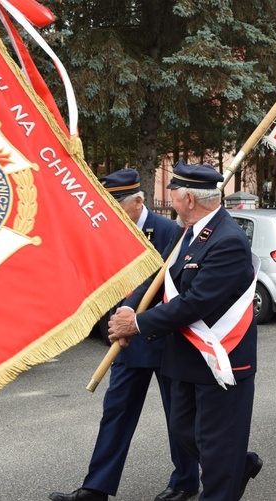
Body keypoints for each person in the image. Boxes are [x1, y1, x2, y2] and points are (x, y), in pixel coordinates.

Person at [108, 160, 262, 501]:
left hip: (219, 360)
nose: (169, 197)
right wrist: (130, 307)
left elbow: (196, 302)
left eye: (172, 192)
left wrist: (138, 324)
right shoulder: (187, 233)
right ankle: (239, 461)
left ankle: (229, 470)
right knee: (183, 431)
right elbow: (158, 276)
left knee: (217, 449)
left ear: (188, 199)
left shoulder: (228, 240)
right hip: (184, 358)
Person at [50, 169, 199, 501]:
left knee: (179, 417)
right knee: (116, 413)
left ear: (138, 200)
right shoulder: (104, 230)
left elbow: (162, 284)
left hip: (163, 339)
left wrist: (132, 314)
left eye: (117, 204)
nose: (112, 211)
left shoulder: (168, 231)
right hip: (125, 343)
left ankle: (187, 479)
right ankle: (96, 487)